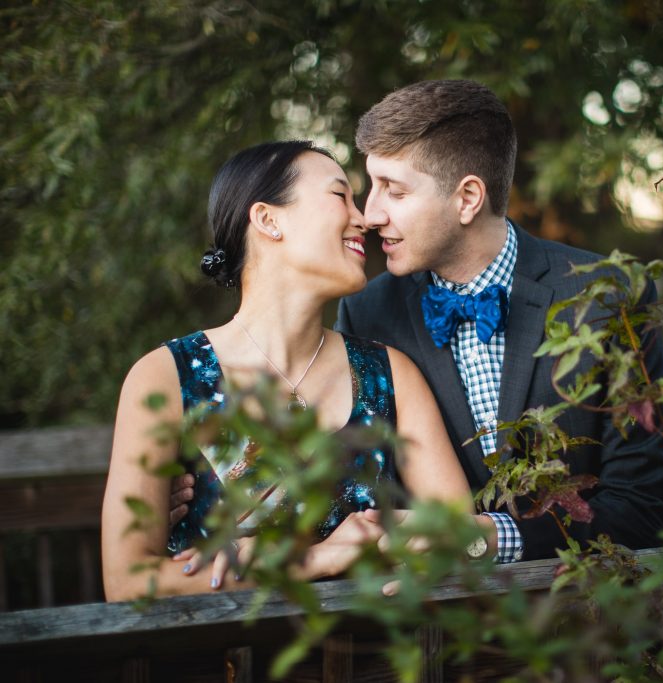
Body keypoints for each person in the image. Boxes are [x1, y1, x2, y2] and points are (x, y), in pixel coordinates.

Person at [101, 141, 478, 602]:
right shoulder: (165, 377)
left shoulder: (391, 374)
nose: (364, 219)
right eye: (341, 197)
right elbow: (127, 583)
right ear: (268, 219)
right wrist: (315, 558)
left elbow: (458, 539)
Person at [334, 80, 663, 562]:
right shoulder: (367, 313)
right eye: (372, 186)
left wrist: (492, 537)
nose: (370, 213)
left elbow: (647, 507)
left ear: (468, 198)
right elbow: (367, 496)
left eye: (393, 190)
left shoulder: (607, 297)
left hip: (584, 620)